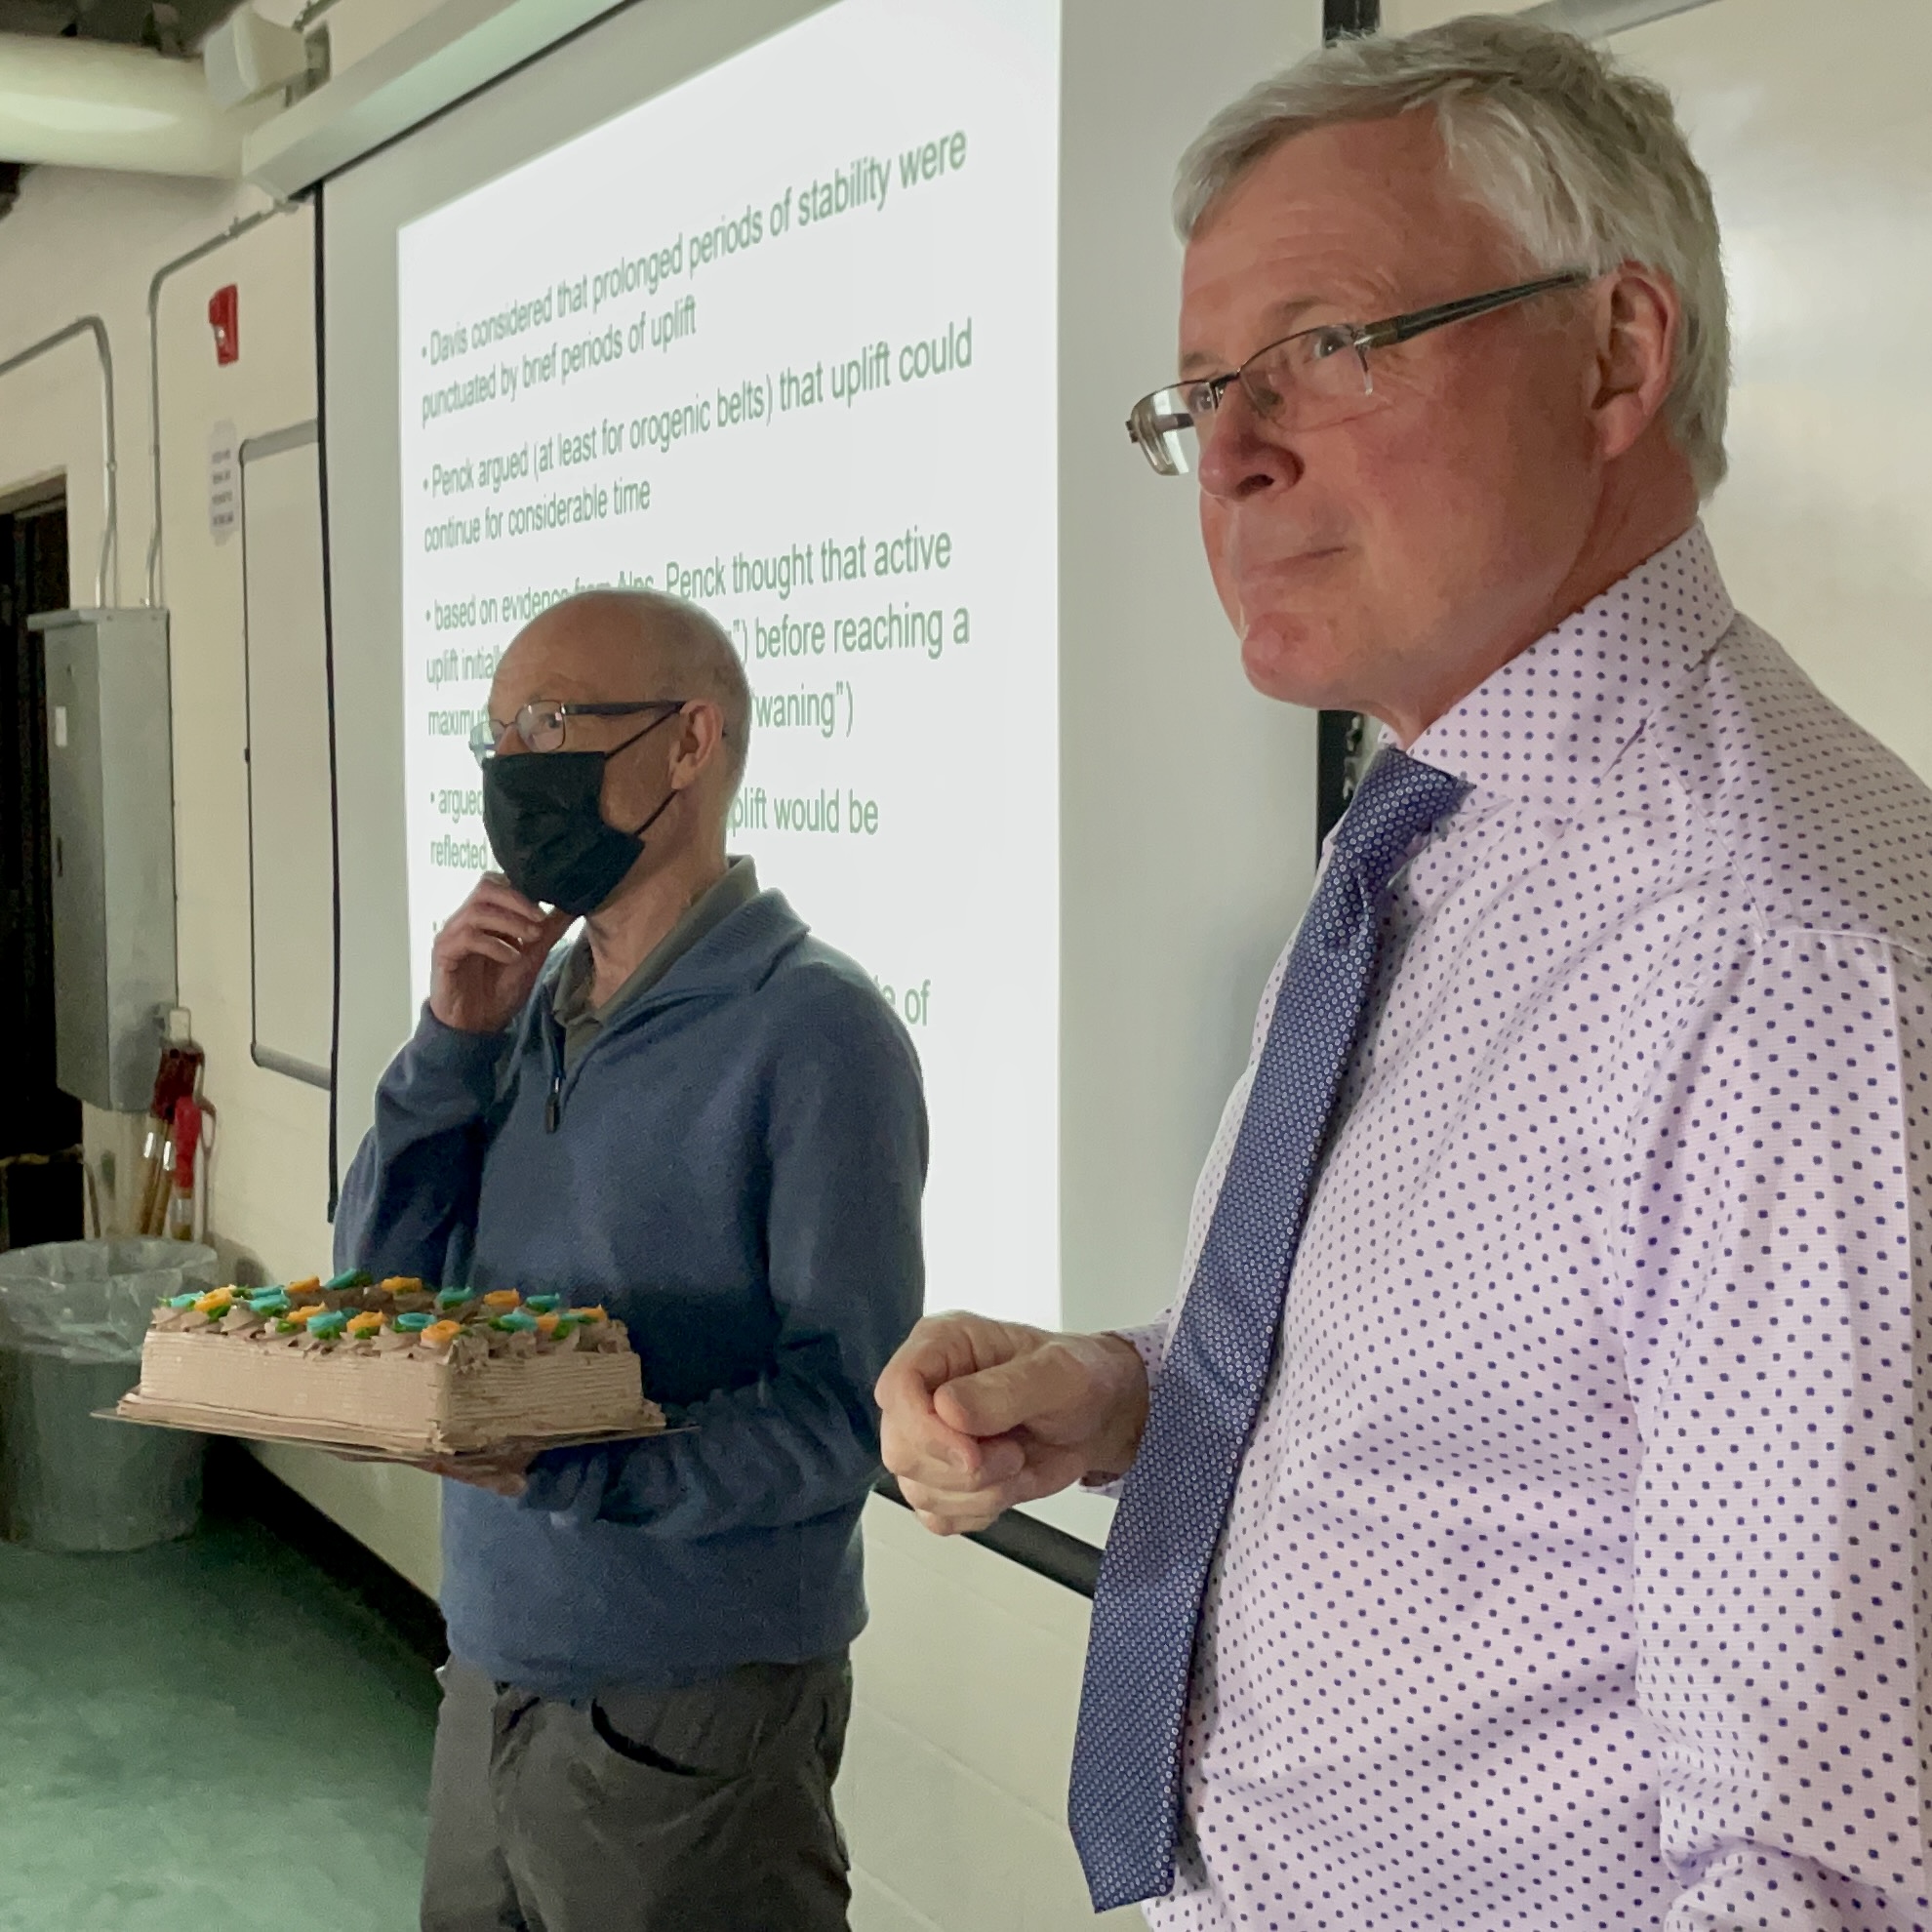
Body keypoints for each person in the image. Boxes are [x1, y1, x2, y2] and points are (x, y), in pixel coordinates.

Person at [876, 19, 1932, 1931]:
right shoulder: (1434, 822)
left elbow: (1825, 1873)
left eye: (1330, 348)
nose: (1234, 455)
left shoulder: (1779, 959)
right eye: (1204, 392)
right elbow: (1500, 1418)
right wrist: (1126, 1394)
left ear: (1616, 355)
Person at [336, 587, 927, 1932]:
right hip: (492, 1657)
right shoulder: (519, 1010)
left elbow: (846, 1416)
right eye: (496, 734)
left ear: (689, 743)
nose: (512, 768)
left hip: (693, 1701)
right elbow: (373, 1293)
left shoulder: (815, 1031)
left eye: (548, 724)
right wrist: (448, 1046)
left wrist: (580, 1465)